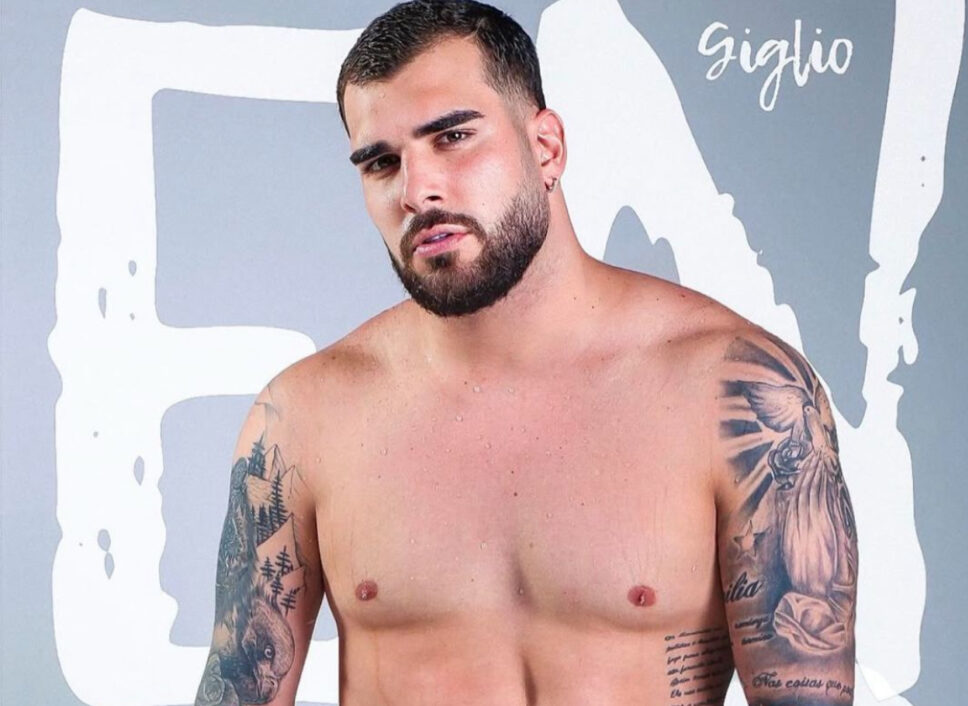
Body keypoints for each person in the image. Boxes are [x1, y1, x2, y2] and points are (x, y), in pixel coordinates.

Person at [193, 1, 858, 704]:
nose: (417, 190)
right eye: (382, 163)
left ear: (547, 148)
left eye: (453, 137)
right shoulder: (304, 418)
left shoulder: (740, 394)